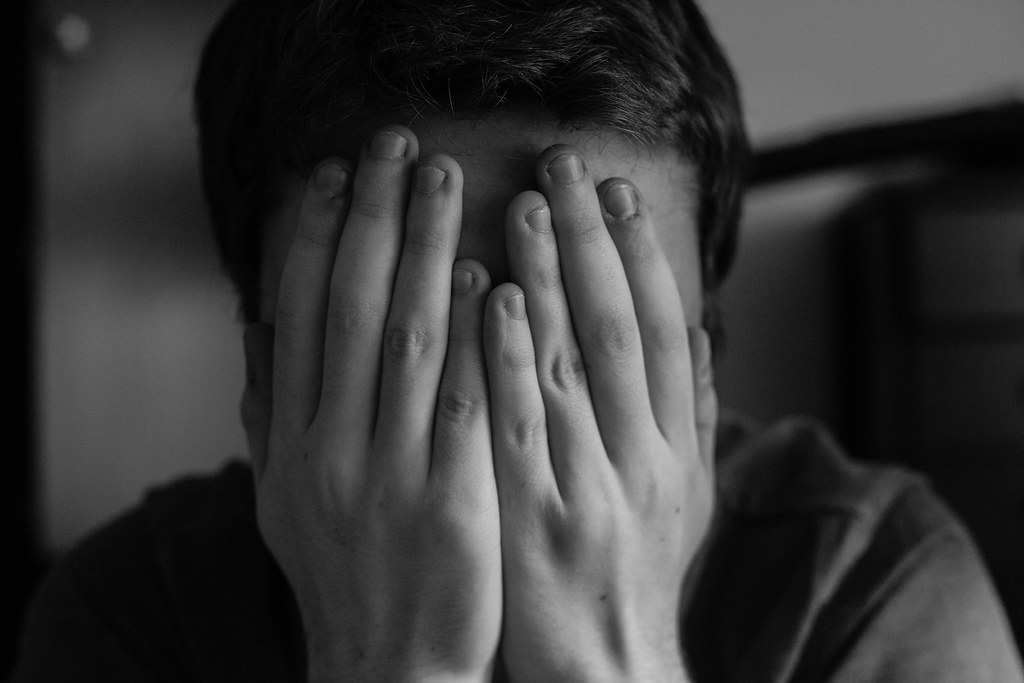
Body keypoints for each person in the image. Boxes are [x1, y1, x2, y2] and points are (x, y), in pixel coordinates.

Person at [12, 0, 1024, 680]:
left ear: (700, 363)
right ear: (266, 380)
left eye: (596, 331)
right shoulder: (126, 617)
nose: (497, 398)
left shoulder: (872, 590)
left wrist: (605, 662)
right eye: (406, 330)